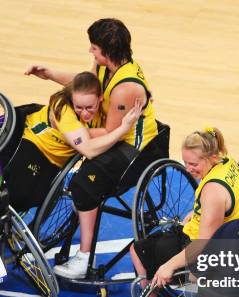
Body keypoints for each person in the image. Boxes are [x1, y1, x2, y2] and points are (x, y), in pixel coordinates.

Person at [26, 18, 159, 279]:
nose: (91, 51)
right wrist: (51, 74)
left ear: (106, 52)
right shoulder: (105, 66)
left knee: (84, 185)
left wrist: (71, 134)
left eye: (94, 47)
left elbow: (111, 133)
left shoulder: (125, 87)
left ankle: (84, 258)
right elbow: (86, 85)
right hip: (115, 134)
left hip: (134, 150)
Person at [130, 127, 239, 297]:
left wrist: (169, 266)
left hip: (207, 250)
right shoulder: (228, 162)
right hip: (232, 235)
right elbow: (225, 205)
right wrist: (200, 212)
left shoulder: (213, 191)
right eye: (185, 162)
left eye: (193, 164)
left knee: (138, 249)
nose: (188, 169)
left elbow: (202, 247)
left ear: (211, 157)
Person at [4, 71, 141, 211]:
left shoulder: (98, 105)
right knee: (18, 197)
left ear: (100, 98)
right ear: (72, 99)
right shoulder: (64, 110)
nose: (85, 113)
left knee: (39, 199)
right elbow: (89, 150)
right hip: (36, 144)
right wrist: (123, 128)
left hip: (55, 159)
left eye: (89, 107)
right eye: (79, 107)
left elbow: (105, 132)